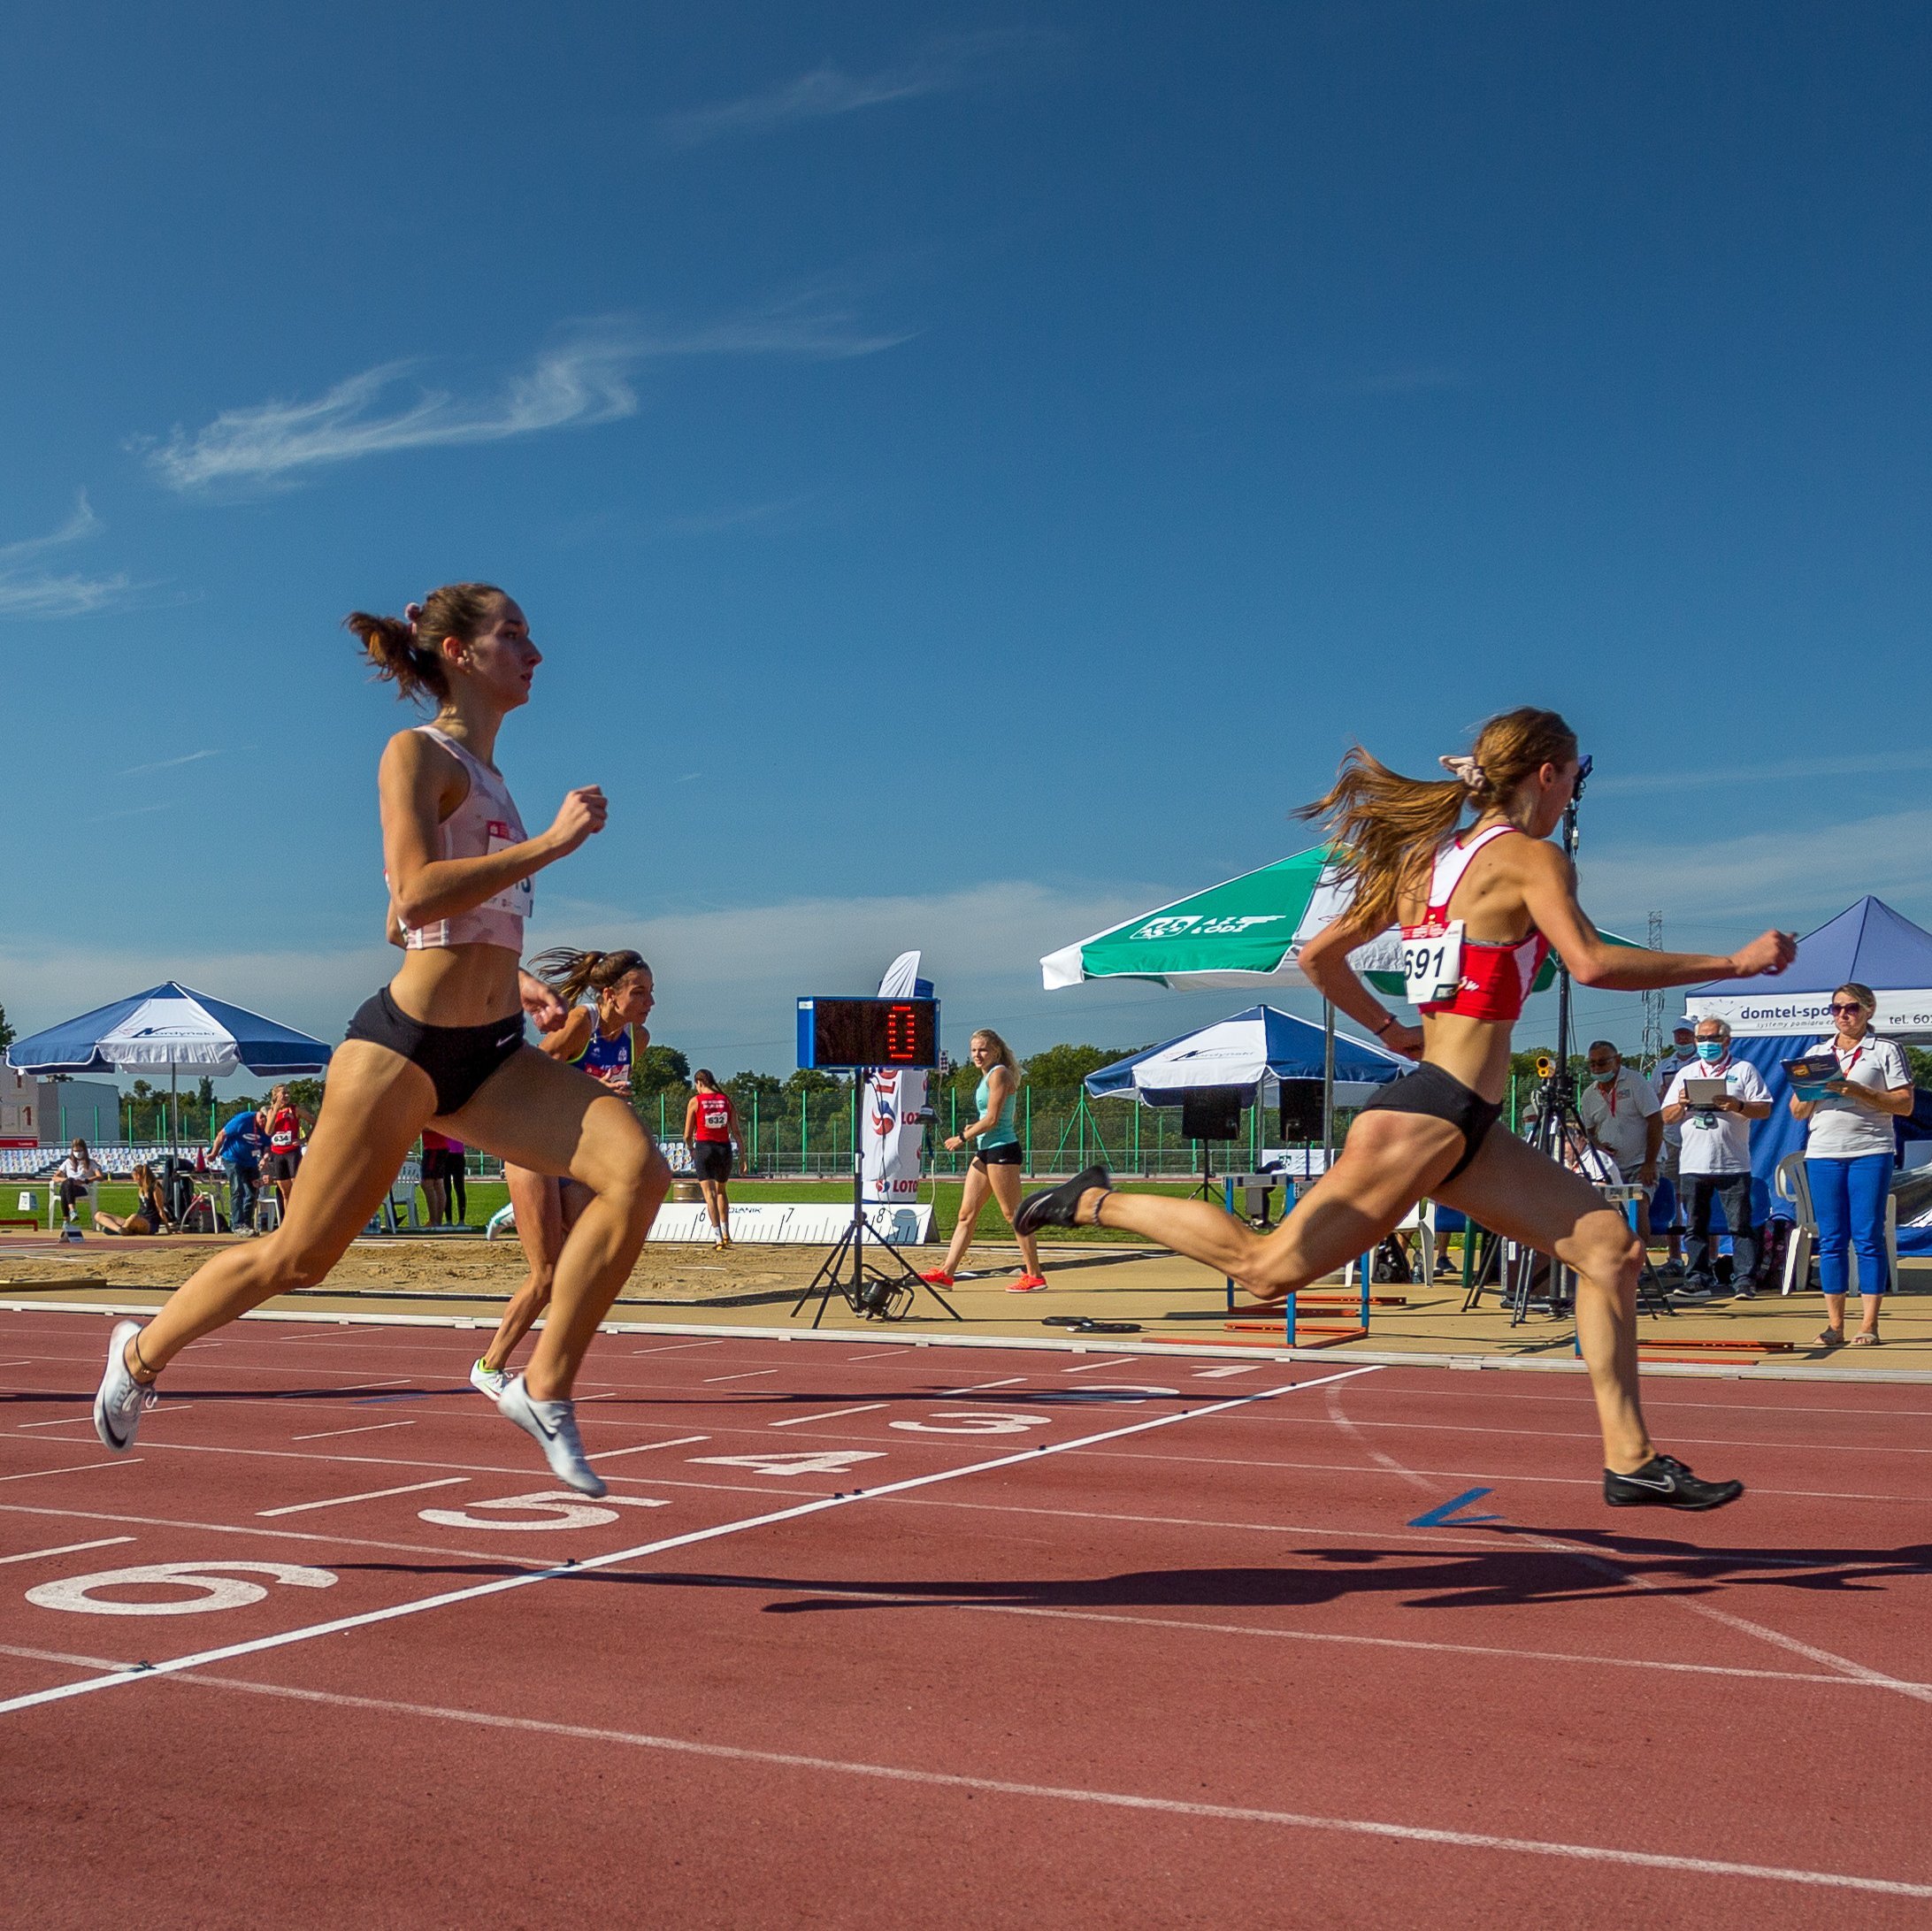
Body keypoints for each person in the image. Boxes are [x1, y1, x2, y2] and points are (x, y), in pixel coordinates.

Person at [1016, 709, 1797, 1509]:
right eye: (1572, 779)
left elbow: (1321, 956)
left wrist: (1392, 1028)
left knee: (1610, 1250)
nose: (1571, 798)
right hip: (1427, 1114)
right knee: (1265, 1271)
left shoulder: (1433, 863)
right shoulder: (1532, 861)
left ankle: (1630, 1460)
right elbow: (1591, 962)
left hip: (1463, 1122)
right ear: (1547, 775)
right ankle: (1092, 1199)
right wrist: (1734, 961)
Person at [91, 582, 670, 1497]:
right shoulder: (416, 754)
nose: (537, 650)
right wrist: (552, 845)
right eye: (514, 633)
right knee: (302, 1257)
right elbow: (414, 896)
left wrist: (515, 978)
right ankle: (143, 1352)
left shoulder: (497, 783)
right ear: (459, 652)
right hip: (401, 1049)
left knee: (639, 1170)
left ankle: (544, 1384)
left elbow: (421, 920)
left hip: (490, 1056)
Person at [470, 946, 654, 1400]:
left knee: (598, 1251)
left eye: (652, 992)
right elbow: (526, 1073)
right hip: (532, 1149)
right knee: (548, 1275)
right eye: (640, 992)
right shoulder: (580, 1024)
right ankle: (489, 1367)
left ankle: (525, 1216)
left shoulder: (638, 1039)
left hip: (573, 1160)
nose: (649, 1002)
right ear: (609, 994)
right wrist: (592, 1088)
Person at [1789, 981, 1913, 1346]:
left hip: (1870, 1150)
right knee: (1830, 1239)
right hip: (1824, 1151)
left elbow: (1904, 1104)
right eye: (1837, 1008)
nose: (1843, 1015)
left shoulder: (1886, 1050)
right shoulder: (1817, 1052)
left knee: (1868, 1236)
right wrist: (1815, 1091)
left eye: (1852, 1008)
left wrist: (1857, 1091)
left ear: (1869, 1010)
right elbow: (1797, 1111)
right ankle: (1835, 1324)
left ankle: (1869, 1324)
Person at [924, 1029, 1047, 1294]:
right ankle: (947, 1273)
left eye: (983, 1049)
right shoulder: (987, 1077)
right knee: (966, 1214)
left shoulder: (1000, 1073)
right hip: (986, 1151)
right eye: (973, 1050)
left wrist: (962, 1137)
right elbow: (988, 1118)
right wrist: (974, 1129)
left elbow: (992, 1119)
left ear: (996, 1051)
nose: (977, 1055)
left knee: (1013, 1214)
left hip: (1003, 1150)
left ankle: (1035, 1275)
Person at [1660, 1017, 1773, 1300]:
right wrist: (1682, 1104)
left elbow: (1764, 1109)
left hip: (1733, 1161)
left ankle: (1744, 1279)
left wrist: (1738, 1105)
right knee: (1695, 1225)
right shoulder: (1686, 1072)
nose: (1706, 1045)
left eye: (1712, 1039)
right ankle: (1697, 1277)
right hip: (1694, 1162)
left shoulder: (1743, 1069)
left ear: (1726, 1040)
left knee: (1740, 1225)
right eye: (1701, 1039)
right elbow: (1666, 1116)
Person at [1578, 1040, 1662, 1238]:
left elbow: (1656, 1121)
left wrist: (1650, 1163)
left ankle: (1640, 1261)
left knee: (1638, 1202)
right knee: (1597, 1208)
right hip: (1609, 1165)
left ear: (1617, 1060)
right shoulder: (1589, 1094)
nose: (1597, 1068)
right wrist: (1597, 1145)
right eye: (1592, 1064)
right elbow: (1587, 1132)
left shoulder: (1635, 1082)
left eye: (1602, 1062)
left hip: (1641, 1162)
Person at [1649, 1018, 1699, 1267]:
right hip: (1671, 1139)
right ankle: (1675, 1256)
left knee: (1700, 1198)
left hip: (1698, 1138)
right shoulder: (1664, 1066)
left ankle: (1706, 1258)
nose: (1681, 1039)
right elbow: (1653, 1102)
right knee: (1673, 1197)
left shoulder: (1702, 1064)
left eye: (1686, 1035)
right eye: (1678, 1034)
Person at [684, 1070, 741, 1248]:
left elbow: (687, 1134)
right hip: (724, 1149)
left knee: (709, 1195)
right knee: (722, 1191)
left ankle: (717, 1238)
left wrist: (691, 1148)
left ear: (699, 1083)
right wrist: (744, 1157)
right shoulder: (726, 1100)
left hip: (704, 1149)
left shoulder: (695, 1102)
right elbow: (736, 1132)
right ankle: (726, 1234)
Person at [211, 1107, 266, 1235]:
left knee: (252, 1191)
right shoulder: (243, 1120)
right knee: (237, 1189)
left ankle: (246, 1223)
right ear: (261, 1117)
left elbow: (267, 1146)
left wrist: (265, 1158)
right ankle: (237, 1224)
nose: (264, 1126)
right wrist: (214, 1153)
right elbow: (222, 1134)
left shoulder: (267, 1128)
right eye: (263, 1121)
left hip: (251, 1161)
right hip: (233, 1158)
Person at [261, 1084, 313, 1220]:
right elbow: (268, 1131)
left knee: (297, 1188)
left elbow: (315, 1122)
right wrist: (276, 1109)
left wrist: (304, 1139)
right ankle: (288, 1221)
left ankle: (302, 1219)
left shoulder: (295, 1109)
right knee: (285, 1192)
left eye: (288, 1093)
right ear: (275, 1096)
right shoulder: (271, 1111)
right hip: (278, 1154)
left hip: (292, 1152)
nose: (286, 1096)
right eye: (283, 1093)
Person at [94, 1162, 174, 1237]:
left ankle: (120, 1229)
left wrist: (169, 1229)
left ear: (139, 1176)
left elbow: (160, 1209)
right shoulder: (141, 1189)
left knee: (133, 1217)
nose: (134, 1180)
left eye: (134, 1177)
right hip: (138, 1220)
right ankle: (119, 1230)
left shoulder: (155, 1188)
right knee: (99, 1215)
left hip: (149, 1224)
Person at [52, 1139, 103, 1227]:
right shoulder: (68, 1162)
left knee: (64, 1190)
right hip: (69, 1186)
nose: (78, 1153)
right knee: (68, 1184)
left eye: (80, 1151)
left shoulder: (91, 1163)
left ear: (84, 1150)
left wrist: (85, 1181)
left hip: (82, 1188)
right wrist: (66, 1180)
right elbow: (55, 1177)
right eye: (75, 1151)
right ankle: (72, 1211)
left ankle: (66, 1220)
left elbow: (100, 1176)